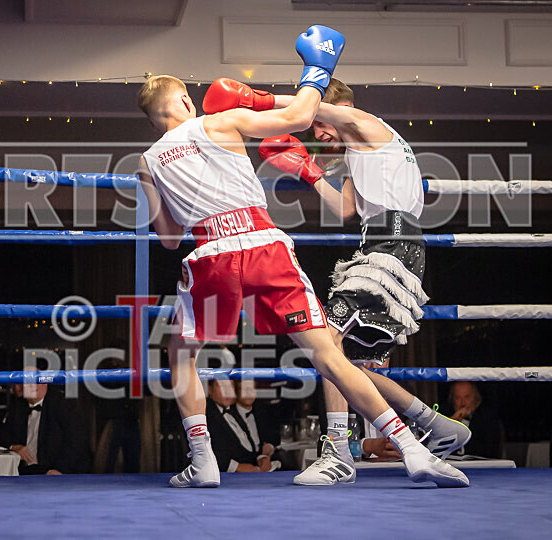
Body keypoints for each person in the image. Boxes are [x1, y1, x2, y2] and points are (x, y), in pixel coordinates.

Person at [137, 25, 467, 488]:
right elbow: (300, 113)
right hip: (266, 244)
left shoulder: (148, 160)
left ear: (152, 122)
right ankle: (413, 448)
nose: (321, 135)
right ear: (188, 103)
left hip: (208, 250)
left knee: (181, 352)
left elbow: (169, 240)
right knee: (328, 355)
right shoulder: (221, 120)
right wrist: (318, 67)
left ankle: (203, 460)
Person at [208, 76, 472, 484]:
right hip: (385, 246)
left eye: (318, 127)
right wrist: (309, 172)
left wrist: (256, 101)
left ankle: (338, 452)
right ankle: (437, 425)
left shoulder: (365, 123)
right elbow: (346, 210)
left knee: (323, 340)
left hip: (392, 245)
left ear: (332, 110)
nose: (317, 134)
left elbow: (311, 109)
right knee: (346, 362)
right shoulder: (358, 151)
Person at [0, 367, 91, 475]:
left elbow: (77, 441)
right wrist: (14, 447)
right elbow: (0, 434)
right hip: (24, 472)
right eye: (27, 381)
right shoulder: (17, 407)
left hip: (57, 471)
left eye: (36, 380)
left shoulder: (63, 404)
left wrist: (60, 469)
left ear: (45, 382)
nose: (31, 385)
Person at [443, 381, 503, 458]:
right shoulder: (445, 416)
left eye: (467, 397)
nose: (462, 403)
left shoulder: (487, 419)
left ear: (475, 398)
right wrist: (453, 421)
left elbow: (489, 451)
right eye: (458, 398)